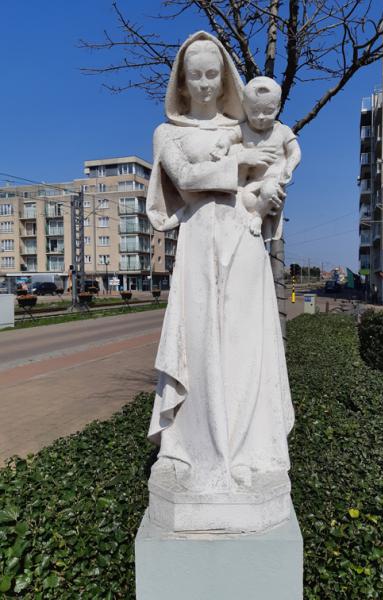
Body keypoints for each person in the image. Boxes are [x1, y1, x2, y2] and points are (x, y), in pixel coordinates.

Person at [146, 31, 295, 494]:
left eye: (214, 74)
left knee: (244, 347)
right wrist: (242, 162)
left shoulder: (246, 126)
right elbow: (187, 179)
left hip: (243, 239)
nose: (206, 84)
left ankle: (249, 449)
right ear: (182, 83)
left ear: (225, 77)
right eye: (196, 76)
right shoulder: (168, 133)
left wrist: (267, 193)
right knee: (199, 344)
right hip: (198, 242)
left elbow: (277, 172)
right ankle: (190, 449)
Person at [211, 76, 301, 237]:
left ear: (278, 107)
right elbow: (229, 137)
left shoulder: (282, 131)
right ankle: (252, 217)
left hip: (274, 179)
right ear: (245, 107)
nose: (260, 117)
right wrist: (222, 147)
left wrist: (289, 166)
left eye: (268, 112)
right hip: (252, 182)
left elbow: (295, 151)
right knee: (246, 200)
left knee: (268, 191)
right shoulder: (244, 129)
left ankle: (258, 217)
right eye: (254, 111)